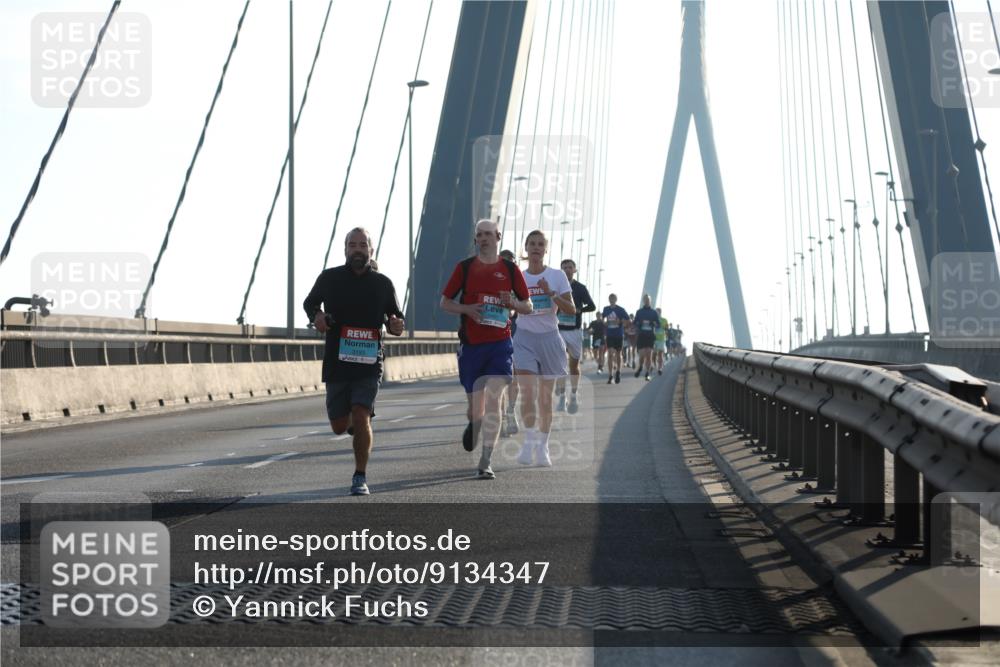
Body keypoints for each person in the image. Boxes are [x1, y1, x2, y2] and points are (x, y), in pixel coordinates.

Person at [303, 227, 405, 496]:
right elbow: (310, 304)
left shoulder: (383, 283)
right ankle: (356, 426)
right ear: (345, 249)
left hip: (369, 363)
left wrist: (396, 325)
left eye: (363, 245)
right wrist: (318, 316)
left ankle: (360, 476)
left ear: (371, 250)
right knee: (339, 426)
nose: (357, 249)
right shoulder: (329, 278)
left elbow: (396, 318)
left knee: (361, 414)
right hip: (337, 360)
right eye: (353, 244)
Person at [440, 221, 532, 480]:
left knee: (495, 399)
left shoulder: (510, 269)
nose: (483, 239)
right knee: (475, 408)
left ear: (498, 237)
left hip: (500, 345)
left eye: (488, 234)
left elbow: (528, 306)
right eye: (479, 235)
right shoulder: (465, 268)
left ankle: (486, 460)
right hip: (471, 346)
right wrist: (468, 309)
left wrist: (513, 302)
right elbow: (444, 302)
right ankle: (473, 422)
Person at [513, 230, 575, 467]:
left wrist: (551, 294)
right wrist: (514, 303)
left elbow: (571, 309)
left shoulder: (557, 276)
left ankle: (543, 445)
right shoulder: (518, 276)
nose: (536, 248)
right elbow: (512, 305)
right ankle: (529, 441)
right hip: (525, 338)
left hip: (550, 338)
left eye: (541, 244)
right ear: (526, 248)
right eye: (532, 244)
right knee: (528, 392)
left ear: (546, 249)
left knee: (545, 400)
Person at [554, 258, 595, 414]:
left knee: (573, 366)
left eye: (569, 267)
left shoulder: (580, 288)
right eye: (564, 267)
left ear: (574, 270)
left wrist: (579, 310)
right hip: (559, 330)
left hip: (575, 331)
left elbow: (592, 306)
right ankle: (562, 398)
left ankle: (573, 394)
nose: (567, 270)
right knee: (560, 365)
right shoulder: (555, 287)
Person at [499, 249, 521, 437]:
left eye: (511, 261)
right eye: (504, 260)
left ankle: (510, 412)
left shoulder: (520, 282)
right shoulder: (488, 279)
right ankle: (501, 417)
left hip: (515, 335)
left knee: (512, 379)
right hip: (493, 336)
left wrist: (513, 307)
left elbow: (528, 306)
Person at [601, 294, 629, 385]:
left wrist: (620, 321)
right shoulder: (606, 309)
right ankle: (610, 375)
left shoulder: (620, 310)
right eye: (610, 298)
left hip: (619, 334)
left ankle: (618, 372)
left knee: (618, 354)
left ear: (616, 299)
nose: (612, 299)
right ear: (609, 299)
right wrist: (604, 322)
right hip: (610, 335)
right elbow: (602, 319)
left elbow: (628, 320)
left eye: (613, 298)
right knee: (610, 353)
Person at [633, 294, 660, 381]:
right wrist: (638, 324)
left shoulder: (654, 312)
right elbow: (635, 322)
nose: (647, 301)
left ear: (650, 301)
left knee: (649, 354)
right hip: (642, 335)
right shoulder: (639, 312)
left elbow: (658, 324)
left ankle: (647, 373)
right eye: (645, 299)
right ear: (643, 301)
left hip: (650, 335)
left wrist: (655, 324)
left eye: (648, 300)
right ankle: (640, 366)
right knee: (642, 356)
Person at [653, 307, 668, 374]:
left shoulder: (664, 320)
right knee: (653, 354)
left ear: (660, 312)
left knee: (660, 354)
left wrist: (665, 327)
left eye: (657, 312)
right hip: (653, 339)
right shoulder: (653, 320)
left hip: (661, 339)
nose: (656, 313)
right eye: (655, 312)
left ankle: (660, 368)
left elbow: (666, 328)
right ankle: (655, 365)